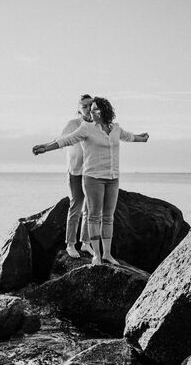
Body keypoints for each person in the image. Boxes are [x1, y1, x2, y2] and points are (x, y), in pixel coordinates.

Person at [33, 96, 149, 265]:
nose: (90, 111)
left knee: (107, 217)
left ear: (103, 111)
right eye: (87, 107)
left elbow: (128, 136)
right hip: (89, 175)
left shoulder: (115, 128)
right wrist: (45, 147)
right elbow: (65, 140)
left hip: (112, 177)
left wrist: (141, 138)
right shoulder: (85, 127)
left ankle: (104, 253)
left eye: (93, 108)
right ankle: (89, 252)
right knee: (88, 213)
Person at [60, 94, 94, 259]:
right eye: (84, 106)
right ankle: (70, 244)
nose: (88, 108)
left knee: (90, 208)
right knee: (76, 207)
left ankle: (86, 243)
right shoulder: (72, 124)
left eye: (90, 105)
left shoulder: (96, 125)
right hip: (75, 171)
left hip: (91, 172)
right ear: (79, 109)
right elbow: (60, 141)